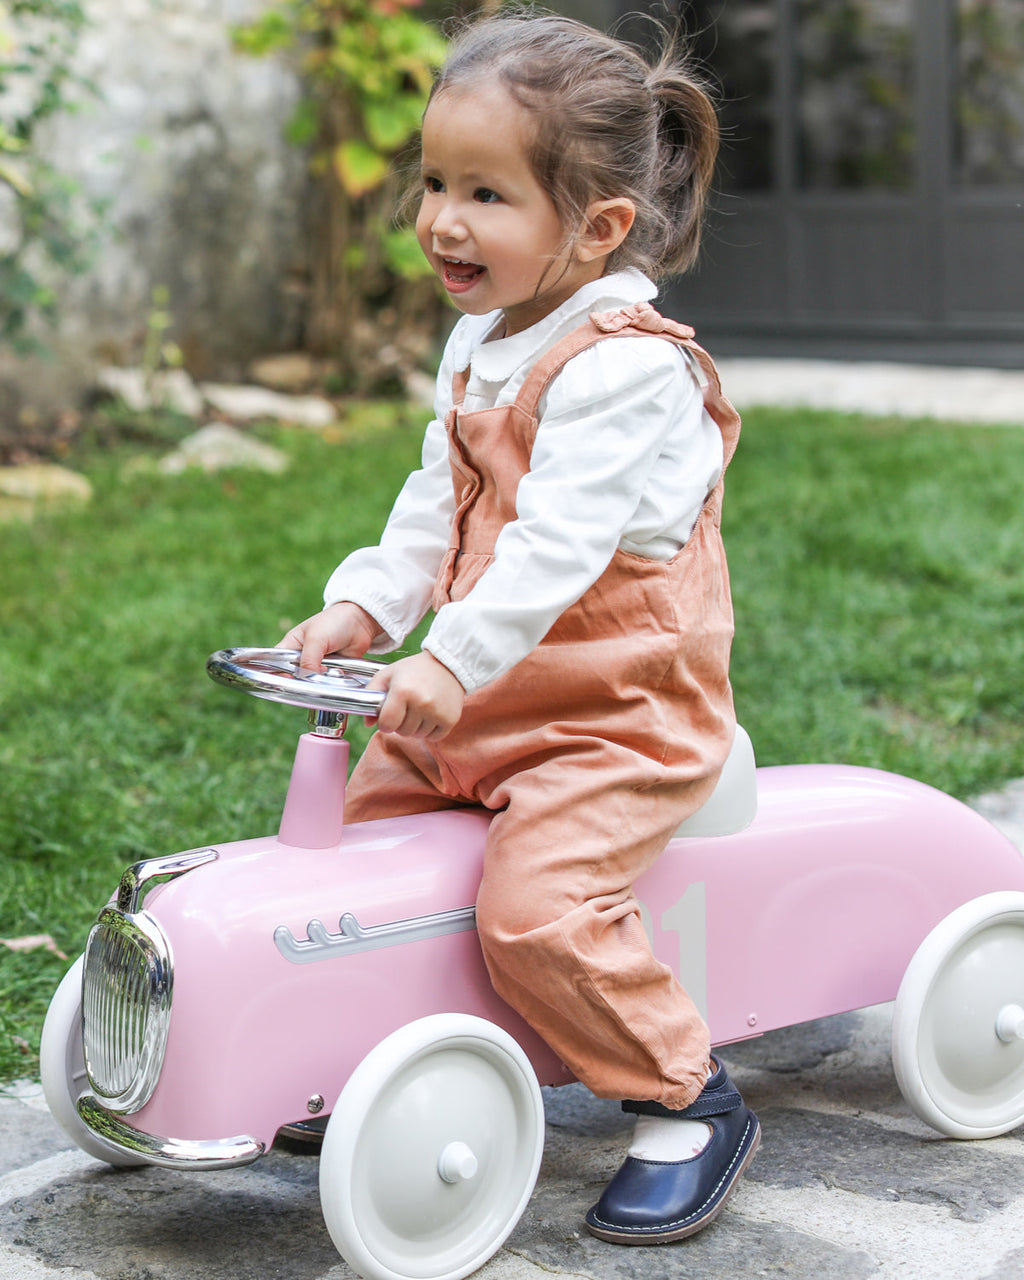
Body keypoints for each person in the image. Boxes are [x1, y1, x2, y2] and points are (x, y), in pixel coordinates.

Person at [281, 9, 759, 1245]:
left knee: (536, 904)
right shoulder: (482, 339)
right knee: (364, 855)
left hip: (616, 714)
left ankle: (684, 1095)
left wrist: (446, 655)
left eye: (486, 194)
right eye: (435, 181)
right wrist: (368, 602)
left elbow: (556, 544)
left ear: (597, 228)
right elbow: (437, 499)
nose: (442, 219)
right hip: (488, 693)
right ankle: (400, 1055)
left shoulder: (625, 366)